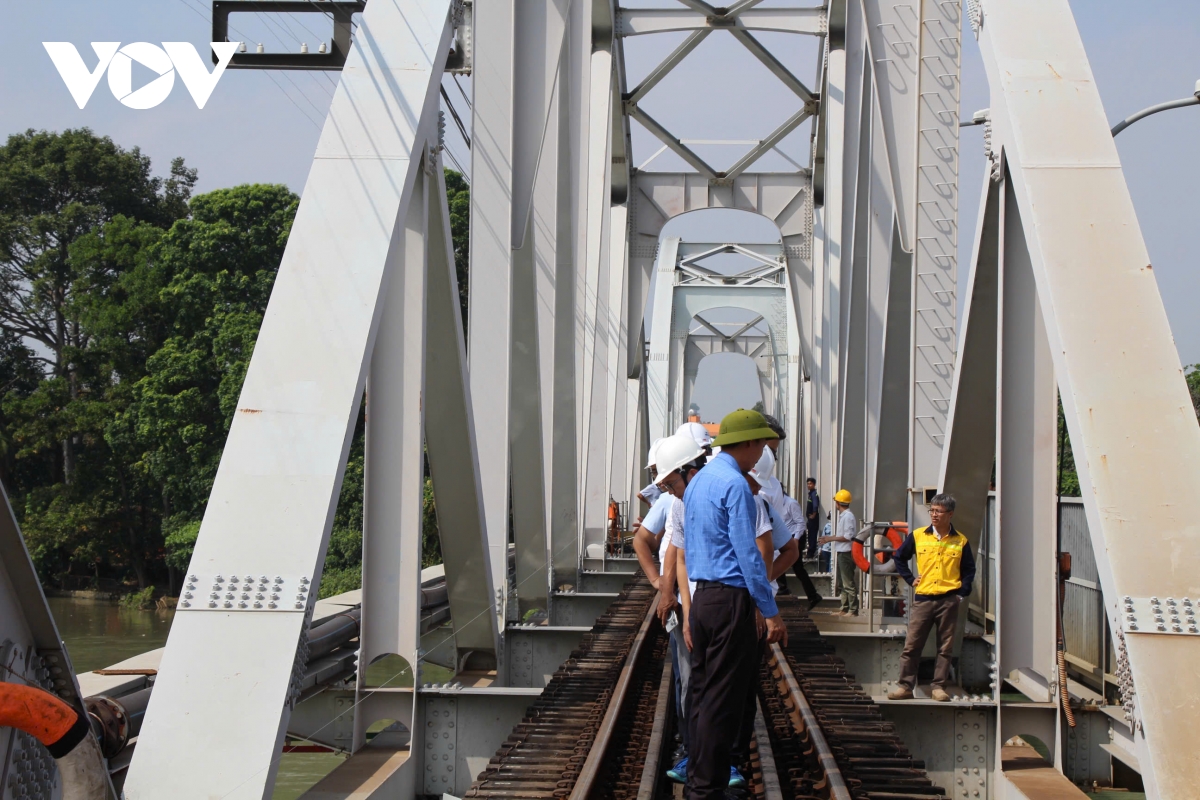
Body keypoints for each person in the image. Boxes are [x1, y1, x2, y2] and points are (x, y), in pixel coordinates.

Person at [683, 409, 785, 800]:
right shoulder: (735, 485)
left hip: (705, 597)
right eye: (759, 443)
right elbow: (748, 554)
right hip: (731, 601)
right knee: (723, 700)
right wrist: (770, 611)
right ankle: (707, 790)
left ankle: (697, 778)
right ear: (746, 444)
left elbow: (692, 547)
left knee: (702, 692)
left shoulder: (698, 482)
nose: (761, 451)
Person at [635, 434, 706, 783]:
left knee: (701, 679)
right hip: (688, 601)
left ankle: (711, 752)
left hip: (712, 601)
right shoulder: (674, 503)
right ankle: (693, 748)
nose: (665, 487)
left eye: (667, 480)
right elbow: (672, 554)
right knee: (688, 678)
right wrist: (663, 587)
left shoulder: (726, 495)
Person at [887, 493, 976, 702]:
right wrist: (910, 579)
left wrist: (961, 595)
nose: (934, 515)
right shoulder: (918, 536)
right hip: (924, 598)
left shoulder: (960, 541)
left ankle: (938, 687)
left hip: (949, 599)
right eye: (932, 510)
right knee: (912, 644)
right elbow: (899, 557)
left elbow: (969, 570)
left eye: (939, 511)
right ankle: (905, 686)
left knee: (945, 647)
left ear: (950, 514)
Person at [819, 489, 858, 616]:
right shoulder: (845, 517)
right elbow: (843, 535)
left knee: (848, 582)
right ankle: (844, 608)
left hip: (846, 553)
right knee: (842, 582)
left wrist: (830, 538)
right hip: (842, 552)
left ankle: (852, 610)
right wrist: (828, 539)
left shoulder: (848, 517)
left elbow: (848, 536)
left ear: (838, 503)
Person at [638, 438, 667, 510]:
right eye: (654, 471)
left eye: (661, 469)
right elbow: (640, 495)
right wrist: (648, 503)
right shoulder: (653, 487)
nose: (659, 477)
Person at [804, 477, 821, 558]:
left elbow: (815, 505)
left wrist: (813, 515)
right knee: (810, 535)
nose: (809, 485)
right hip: (810, 519)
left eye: (810, 484)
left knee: (812, 535)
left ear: (814, 484)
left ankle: (811, 552)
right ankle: (810, 551)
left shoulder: (814, 494)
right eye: (808, 484)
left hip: (813, 519)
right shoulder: (810, 494)